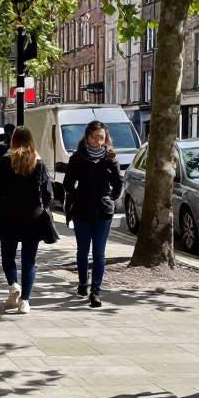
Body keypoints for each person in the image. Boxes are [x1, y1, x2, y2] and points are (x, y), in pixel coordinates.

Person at [0, 126, 54, 314]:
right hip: (32, 217)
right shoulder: (38, 163)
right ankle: (25, 301)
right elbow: (49, 193)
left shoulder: (5, 161)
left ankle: (13, 285)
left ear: (13, 140)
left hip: (8, 215)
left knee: (7, 257)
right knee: (29, 261)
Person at [64, 120, 123, 308]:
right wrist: (78, 196)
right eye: (94, 137)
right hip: (82, 212)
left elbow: (118, 183)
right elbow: (67, 184)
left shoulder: (110, 158)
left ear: (106, 138)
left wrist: (110, 199)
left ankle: (96, 292)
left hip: (104, 213)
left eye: (101, 138)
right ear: (87, 137)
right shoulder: (77, 158)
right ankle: (83, 282)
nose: (98, 141)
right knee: (83, 251)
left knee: (99, 254)